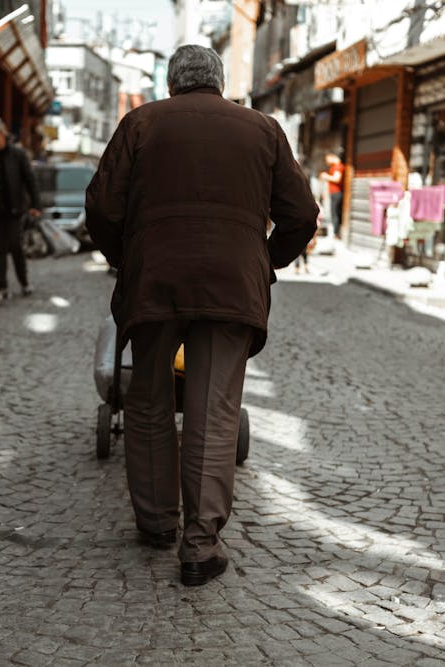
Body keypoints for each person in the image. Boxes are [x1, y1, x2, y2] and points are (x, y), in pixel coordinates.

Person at [85, 45, 318, 586]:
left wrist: (127, 257)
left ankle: (157, 521)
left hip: (155, 281)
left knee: (146, 397)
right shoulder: (263, 128)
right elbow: (301, 215)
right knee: (213, 410)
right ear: (219, 82)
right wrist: (265, 260)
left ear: (172, 83)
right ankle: (199, 545)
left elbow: (100, 207)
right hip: (230, 286)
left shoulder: (140, 123)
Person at [0, 116, 41, 301]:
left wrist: (36, 204)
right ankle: (1, 287)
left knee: (15, 247)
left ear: (1, 133)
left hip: (15, 211)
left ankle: (24, 282)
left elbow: (30, 180)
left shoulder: (18, 155)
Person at [320, 152, 345, 238]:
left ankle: (336, 233)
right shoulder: (335, 167)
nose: (327, 162)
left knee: (335, 212)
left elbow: (337, 179)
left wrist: (326, 176)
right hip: (334, 193)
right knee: (334, 212)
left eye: (327, 160)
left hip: (336, 193)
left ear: (332, 157)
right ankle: (336, 232)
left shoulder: (338, 167)